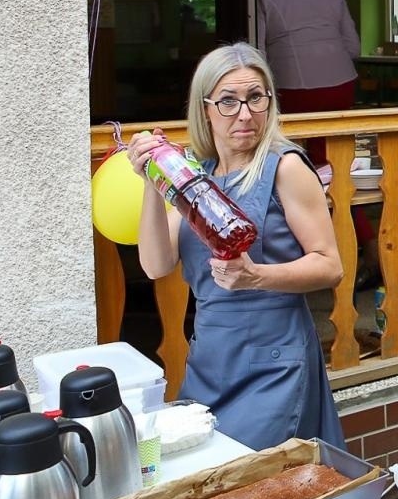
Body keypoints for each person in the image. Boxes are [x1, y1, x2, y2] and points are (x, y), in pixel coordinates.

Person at [127, 43, 346, 451]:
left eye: (255, 98)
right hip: (211, 357)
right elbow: (157, 265)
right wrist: (152, 185)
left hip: (275, 361)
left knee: (257, 485)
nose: (245, 114)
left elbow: (330, 266)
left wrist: (257, 276)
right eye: (228, 101)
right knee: (205, 478)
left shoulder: (286, 167)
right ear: (205, 108)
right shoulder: (194, 175)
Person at [255, 0, 377, 288]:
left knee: (295, 173)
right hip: (340, 80)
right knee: (337, 170)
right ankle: (371, 251)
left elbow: (257, 52)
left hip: (291, 84)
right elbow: (353, 45)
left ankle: (313, 257)